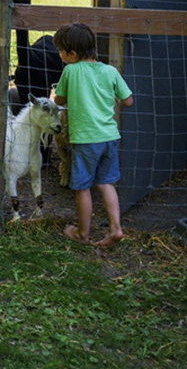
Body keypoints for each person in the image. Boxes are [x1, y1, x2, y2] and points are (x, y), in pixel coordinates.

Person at [53, 22, 134, 248]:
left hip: (85, 140)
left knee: (82, 187)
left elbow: (58, 100)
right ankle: (116, 228)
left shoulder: (70, 71)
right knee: (107, 183)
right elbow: (128, 100)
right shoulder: (110, 71)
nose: (60, 55)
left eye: (61, 51)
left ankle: (82, 232)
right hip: (109, 137)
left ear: (72, 53)